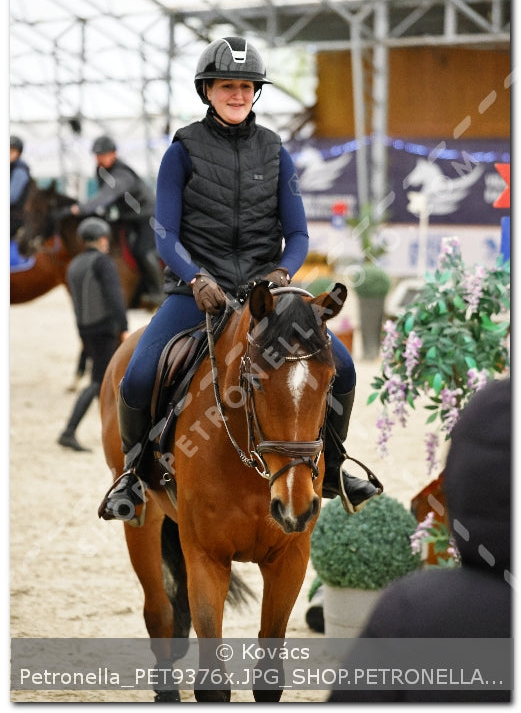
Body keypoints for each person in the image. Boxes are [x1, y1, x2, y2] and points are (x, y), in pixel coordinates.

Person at [97, 35, 381, 525]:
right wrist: (194, 277)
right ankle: (133, 476)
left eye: (247, 86)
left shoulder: (276, 152)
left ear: (256, 93)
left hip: (264, 298)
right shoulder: (181, 151)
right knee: (139, 375)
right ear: (208, 90)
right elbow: (164, 233)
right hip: (195, 294)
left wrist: (279, 273)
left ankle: (333, 466)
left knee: (345, 367)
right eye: (227, 85)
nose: (237, 93)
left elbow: (296, 234)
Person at [328, 377, 511, 703]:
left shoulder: (410, 609)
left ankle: (330, 464)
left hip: (297, 327)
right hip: (221, 329)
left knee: (342, 367)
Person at [58, 217, 129, 452]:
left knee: (103, 381)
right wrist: (124, 327)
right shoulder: (103, 262)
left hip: (85, 329)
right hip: (105, 329)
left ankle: (114, 434)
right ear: (101, 239)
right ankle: (68, 431)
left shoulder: (74, 264)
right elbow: (114, 297)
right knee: (99, 381)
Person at [79, 134, 164, 307]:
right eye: (97, 155)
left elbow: (108, 195)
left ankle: (159, 292)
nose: (99, 159)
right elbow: (107, 197)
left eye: (102, 154)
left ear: (113, 154)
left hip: (147, 216)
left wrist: (83, 208)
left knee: (143, 251)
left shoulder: (122, 173)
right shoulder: (101, 171)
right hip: (127, 217)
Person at [10, 134, 32, 240]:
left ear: (18, 153)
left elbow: (11, 197)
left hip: (15, 217)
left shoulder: (20, 171)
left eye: (12, 150)